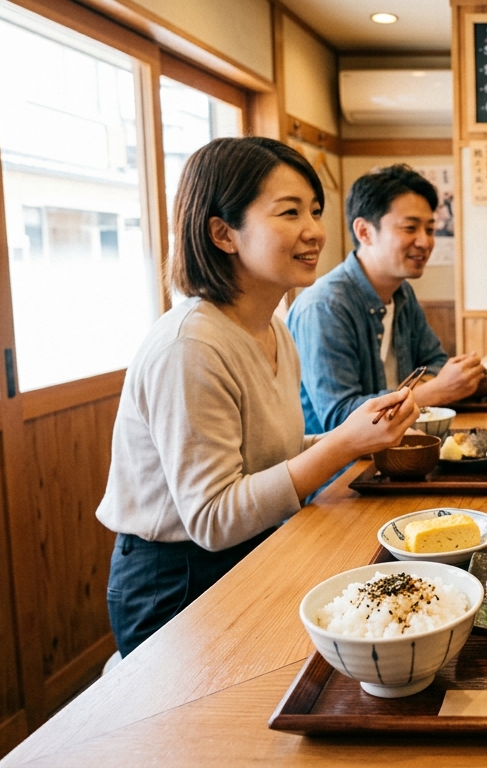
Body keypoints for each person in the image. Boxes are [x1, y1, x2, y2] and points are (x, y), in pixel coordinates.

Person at [97, 138, 418, 657]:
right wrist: (340, 445)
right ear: (223, 233)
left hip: (255, 546)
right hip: (175, 582)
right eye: (289, 212)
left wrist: (357, 436)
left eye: (314, 211)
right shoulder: (191, 346)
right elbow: (212, 518)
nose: (314, 230)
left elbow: (273, 453)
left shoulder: (272, 327)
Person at [289, 164, 484, 434]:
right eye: (410, 228)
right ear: (365, 232)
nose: (425, 242)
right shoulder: (325, 306)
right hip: (345, 470)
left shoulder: (402, 293)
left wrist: (426, 387)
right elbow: (338, 417)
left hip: (397, 446)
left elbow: (435, 361)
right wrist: (430, 392)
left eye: (429, 229)